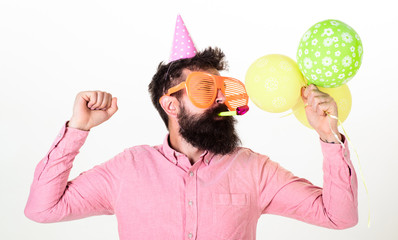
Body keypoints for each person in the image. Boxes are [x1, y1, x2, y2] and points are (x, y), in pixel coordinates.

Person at [25, 16, 358, 240]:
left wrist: (327, 135)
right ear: (170, 105)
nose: (220, 100)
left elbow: (338, 217)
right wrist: (77, 130)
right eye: (203, 90)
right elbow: (43, 209)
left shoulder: (255, 170)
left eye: (224, 90)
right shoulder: (127, 169)